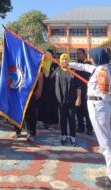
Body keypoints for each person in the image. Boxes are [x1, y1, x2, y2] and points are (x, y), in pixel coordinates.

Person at [65, 48, 111, 188]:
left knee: (105, 143)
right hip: (99, 106)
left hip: (98, 107)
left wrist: (100, 103)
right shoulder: (101, 68)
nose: (90, 58)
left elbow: (104, 93)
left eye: (91, 56)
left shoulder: (103, 71)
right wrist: (69, 64)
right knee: (106, 141)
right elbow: (84, 66)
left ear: (97, 57)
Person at [54, 54, 81, 146]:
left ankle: (72, 137)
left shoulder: (73, 71)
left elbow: (78, 87)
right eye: (63, 59)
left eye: (66, 59)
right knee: (63, 119)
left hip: (72, 100)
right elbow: (48, 77)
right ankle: (64, 135)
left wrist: (78, 98)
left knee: (72, 119)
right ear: (60, 61)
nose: (65, 61)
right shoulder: (57, 71)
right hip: (61, 100)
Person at [37, 49, 59, 129]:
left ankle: (51, 123)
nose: (46, 56)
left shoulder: (55, 65)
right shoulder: (41, 65)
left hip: (52, 89)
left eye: (48, 55)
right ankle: (43, 121)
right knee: (43, 105)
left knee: (51, 106)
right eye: (45, 54)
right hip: (43, 88)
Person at [75, 48, 93, 135]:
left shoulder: (88, 65)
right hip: (77, 91)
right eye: (77, 53)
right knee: (78, 110)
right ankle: (80, 126)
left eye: (80, 53)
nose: (78, 55)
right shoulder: (75, 65)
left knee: (87, 110)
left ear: (84, 54)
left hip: (86, 90)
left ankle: (89, 128)